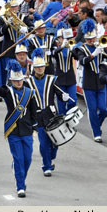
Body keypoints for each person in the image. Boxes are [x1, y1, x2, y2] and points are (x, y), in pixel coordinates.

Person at [0, 59, 37, 198]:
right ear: (11, 80)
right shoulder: (7, 91)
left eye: (21, 80)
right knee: (18, 158)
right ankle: (20, 185)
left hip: (27, 130)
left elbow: (34, 112)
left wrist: (35, 127)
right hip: (13, 130)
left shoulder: (30, 93)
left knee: (27, 159)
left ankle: (20, 176)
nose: (19, 82)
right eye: (16, 80)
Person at [26, 48, 69, 176]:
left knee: (55, 142)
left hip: (51, 115)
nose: (40, 69)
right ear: (34, 67)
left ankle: (50, 159)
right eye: (38, 67)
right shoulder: (28, 82)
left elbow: (59, 93)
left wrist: (64, 96)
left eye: (42, 66)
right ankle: (46, 166)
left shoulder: (52, 80)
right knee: (44, 142)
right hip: (38, 116)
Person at [76, 18, 107, 143]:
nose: (91, 41)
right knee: (93, 109)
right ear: (85, 38)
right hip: (88, 83)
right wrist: (93, 55)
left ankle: (97, 125)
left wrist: (103, 50)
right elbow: (82, 61)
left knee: (104, 109)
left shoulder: (99, 46)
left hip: (100, 82)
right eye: (89, 39)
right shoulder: (81, 49)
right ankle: (96, 133)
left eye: (93, 38)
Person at [0, 0, 33, 85]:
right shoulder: (3, 18)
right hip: (9, 50)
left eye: (15, 7)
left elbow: (33, 28)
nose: (14, 9)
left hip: (21, 50)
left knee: (22, 74)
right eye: (12, 7)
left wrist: (26, 30)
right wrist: (7, 24)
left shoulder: (23, 17)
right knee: (10, 74)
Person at [53, 22, 77, 115]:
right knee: (61, 104)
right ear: (58, 39)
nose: (63, 39)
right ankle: (63, 122)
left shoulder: (70, 47)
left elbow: (77, 57)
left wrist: (71, 48)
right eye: (61, 38)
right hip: (60, 79)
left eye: (64, 37)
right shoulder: (57, 48)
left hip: (70, 78)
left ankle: (69, 117)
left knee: (73, 101)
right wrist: (62, 46)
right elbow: (54, 53)